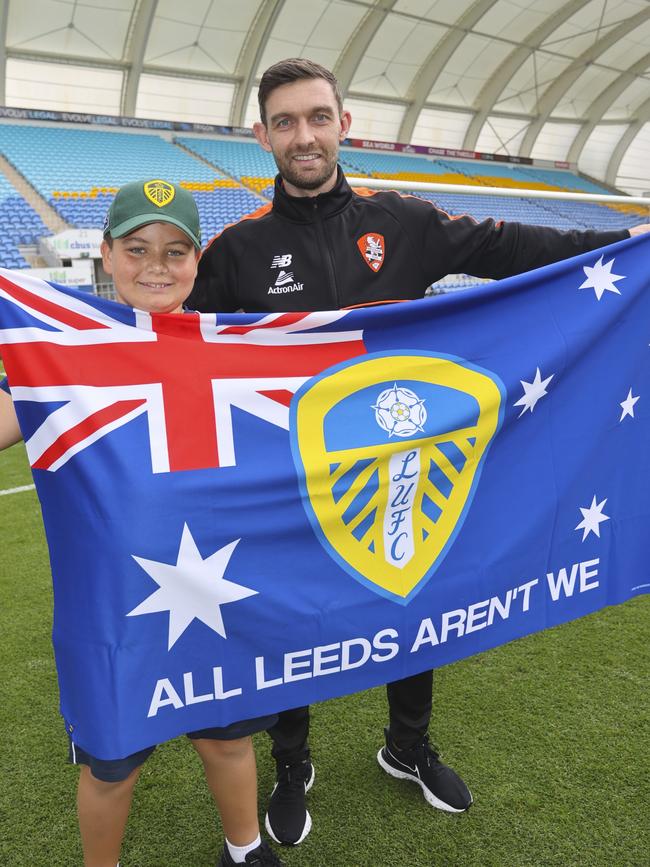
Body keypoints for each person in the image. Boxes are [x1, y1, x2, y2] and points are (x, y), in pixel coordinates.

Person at [188, 57, 650, 848]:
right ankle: (292, 761)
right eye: (287, 122)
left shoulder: (401, 219)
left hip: (401, 463)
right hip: (289, 480)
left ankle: (406, 746)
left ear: (345, 123)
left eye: (318, 117)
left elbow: (515, 248)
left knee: (411, 597)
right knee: (289, 619)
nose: (305, 136)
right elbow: (174, 353)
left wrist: (631, 245)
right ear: (262, 135)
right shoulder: (236, 250)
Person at [0, 179, 283, 867]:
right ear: (105, 253)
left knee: (228, 737)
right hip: (114, 608)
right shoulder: (63, 353)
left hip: (219, 589)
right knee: (111, 764)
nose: (157, 265)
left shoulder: (237, 345)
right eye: (138, 248)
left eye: (176, 250)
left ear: (197, 260)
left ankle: (244, 849)